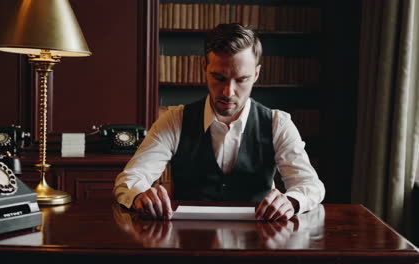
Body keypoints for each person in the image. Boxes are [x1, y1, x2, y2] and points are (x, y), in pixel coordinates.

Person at [113, 23, 325, 221]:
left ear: (257, 74)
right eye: (219, 78)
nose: (228, 92)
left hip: (258, 244)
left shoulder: (277, 123)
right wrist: (140, 195)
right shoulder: (174, 120)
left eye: (241, 79)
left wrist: (291, 201)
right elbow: (130, 179)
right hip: (188, 244)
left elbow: (310, 185)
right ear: (204, 67)